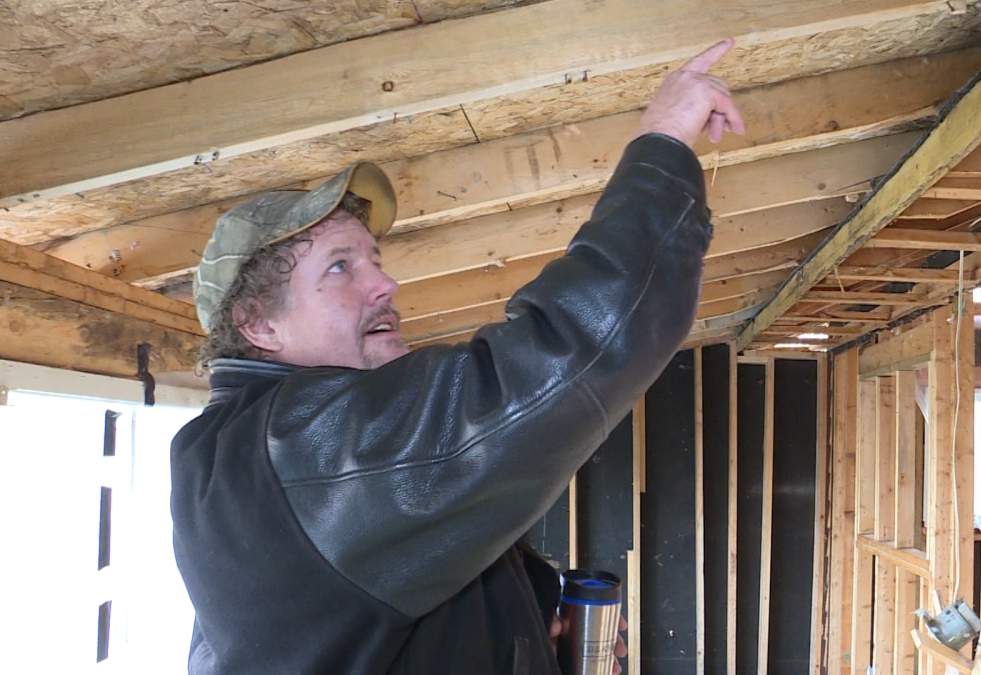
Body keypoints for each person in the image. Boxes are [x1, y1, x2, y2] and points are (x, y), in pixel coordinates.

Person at [171, 39, 745, 674]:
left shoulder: (242, 464)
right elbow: (575, 347)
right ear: (258, 325)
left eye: (375, 261)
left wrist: (528, 643)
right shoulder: (298, 447)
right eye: (340, 267)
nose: (384, 286)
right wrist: (663, 144)